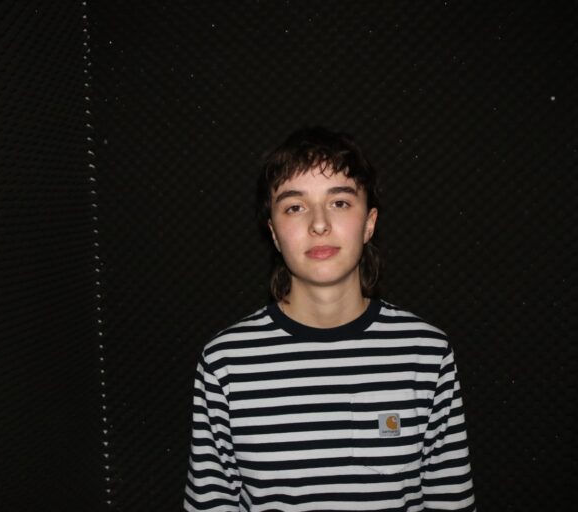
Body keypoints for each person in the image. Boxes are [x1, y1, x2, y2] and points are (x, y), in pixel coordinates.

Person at [184, 127, 475, 511]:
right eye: (295, 206)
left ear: (369, 222)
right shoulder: (225, 362)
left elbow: (451, 502)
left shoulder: (426, 353)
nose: (319, 224)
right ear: (274, 233)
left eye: (339, 202)